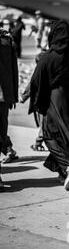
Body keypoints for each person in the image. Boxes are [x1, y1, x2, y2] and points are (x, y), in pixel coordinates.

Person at [29, 20, 69, 190]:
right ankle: (66, 172)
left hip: (58, 100)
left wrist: (36, 101)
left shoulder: (48, 57)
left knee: (50, 135)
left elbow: (36, 81)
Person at [0, 25, 19, 188]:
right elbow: (14, 70)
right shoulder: (7, 42)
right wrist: (13, 94)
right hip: (4, 96)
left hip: (4, 96)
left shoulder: (7, 43)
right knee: (1, 132)